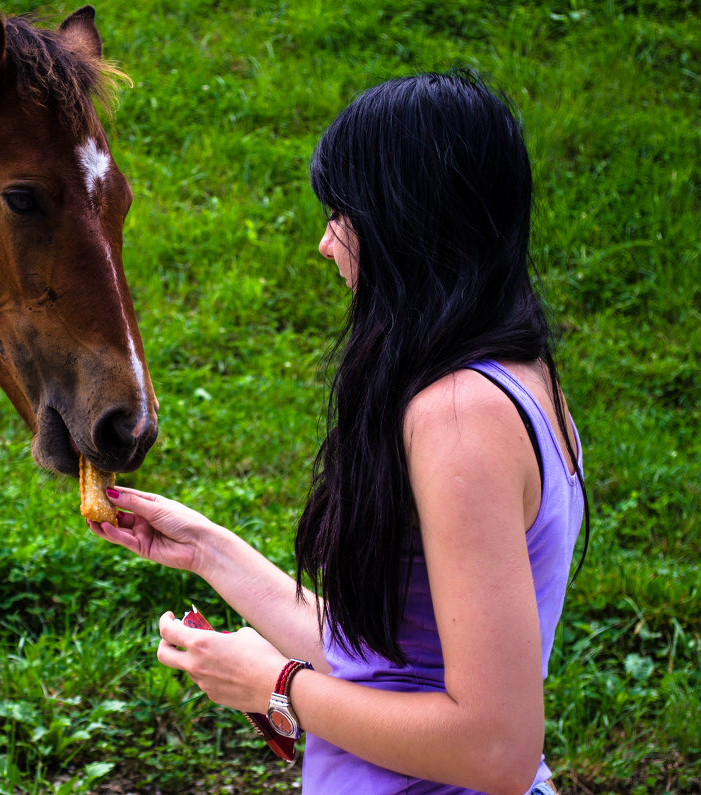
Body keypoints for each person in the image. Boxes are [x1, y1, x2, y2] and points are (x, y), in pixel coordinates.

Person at [88, 69, 589, 795]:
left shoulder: (458, 414)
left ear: (401, 222)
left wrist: (278, 686)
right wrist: (206, 549)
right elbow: (397, 658)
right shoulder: (515, 374)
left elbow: (497, 747)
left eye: (340, 215)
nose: (326, 245)